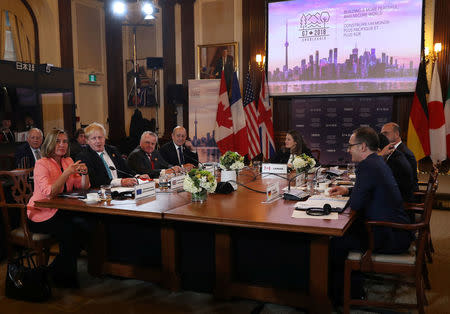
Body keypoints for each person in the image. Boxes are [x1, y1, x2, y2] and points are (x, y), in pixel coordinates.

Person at [328, 127, 413, 304]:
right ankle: (352, 287)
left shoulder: (367, 166)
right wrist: (347, 190)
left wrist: (351, 195)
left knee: (334, 242)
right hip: (395, 230)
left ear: (363, 147)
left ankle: (343, 295)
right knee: (344, 235)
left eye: (351, 146)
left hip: (389, 235)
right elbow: (368, 191)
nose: (348, 149)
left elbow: (358, 204)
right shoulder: (377, 161)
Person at [27, 129, 91, 288]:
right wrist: (67, 174)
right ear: (49, 143)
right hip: (40, 215)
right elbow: (49, 193)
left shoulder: (68, 160)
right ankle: (64, 277)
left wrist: (85, 173)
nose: (62, 145)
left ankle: (52, 272)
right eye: (58, 141)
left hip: (61, 211)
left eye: (65, 141)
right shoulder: (41, 163)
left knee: (87, 225)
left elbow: (83, 187)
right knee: (70, 231)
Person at [75, 122, 140, 188]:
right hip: (101, 193)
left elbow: (125, 169)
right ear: (87, 141)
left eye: (100, 137)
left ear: (104, 138)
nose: (98, 141)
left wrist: (137, 176)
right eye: (94, 138)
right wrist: (120, 182)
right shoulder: (83, 156)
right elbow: (93, 180)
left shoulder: (112, 150)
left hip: (122, 190)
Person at [380, 122, 418, 191]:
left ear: (397, 134)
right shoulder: (390, 150)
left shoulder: (405, 153)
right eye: (382, 134)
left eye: (385, 133)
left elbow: (406, 182)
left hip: (403, 196)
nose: (382, 137)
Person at [378, 133, 415, 201]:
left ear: (379, 150)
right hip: (397, 198)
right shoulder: (396, 155)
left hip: (400, 204)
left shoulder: (395, 162)